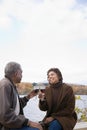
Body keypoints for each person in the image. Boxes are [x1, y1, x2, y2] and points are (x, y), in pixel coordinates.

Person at [0, 62, 43, 130]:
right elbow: (5, 115)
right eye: (21, 73)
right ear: (16, 73)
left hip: (12, 124)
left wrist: (28, 97)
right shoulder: (5, 85)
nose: (22, 75)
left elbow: (16, 107)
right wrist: (28, 122)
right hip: (7, 127)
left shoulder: (10, 85)